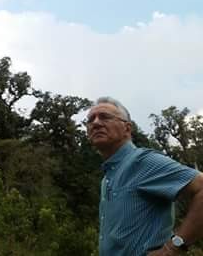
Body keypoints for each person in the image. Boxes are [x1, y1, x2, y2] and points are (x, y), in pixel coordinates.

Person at [87, 97, 203, 256]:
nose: (96, 123)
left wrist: (173, 247)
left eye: (105, 117)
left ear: (127, 128)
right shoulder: (107, 177)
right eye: (90, 119)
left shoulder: (142, 162)